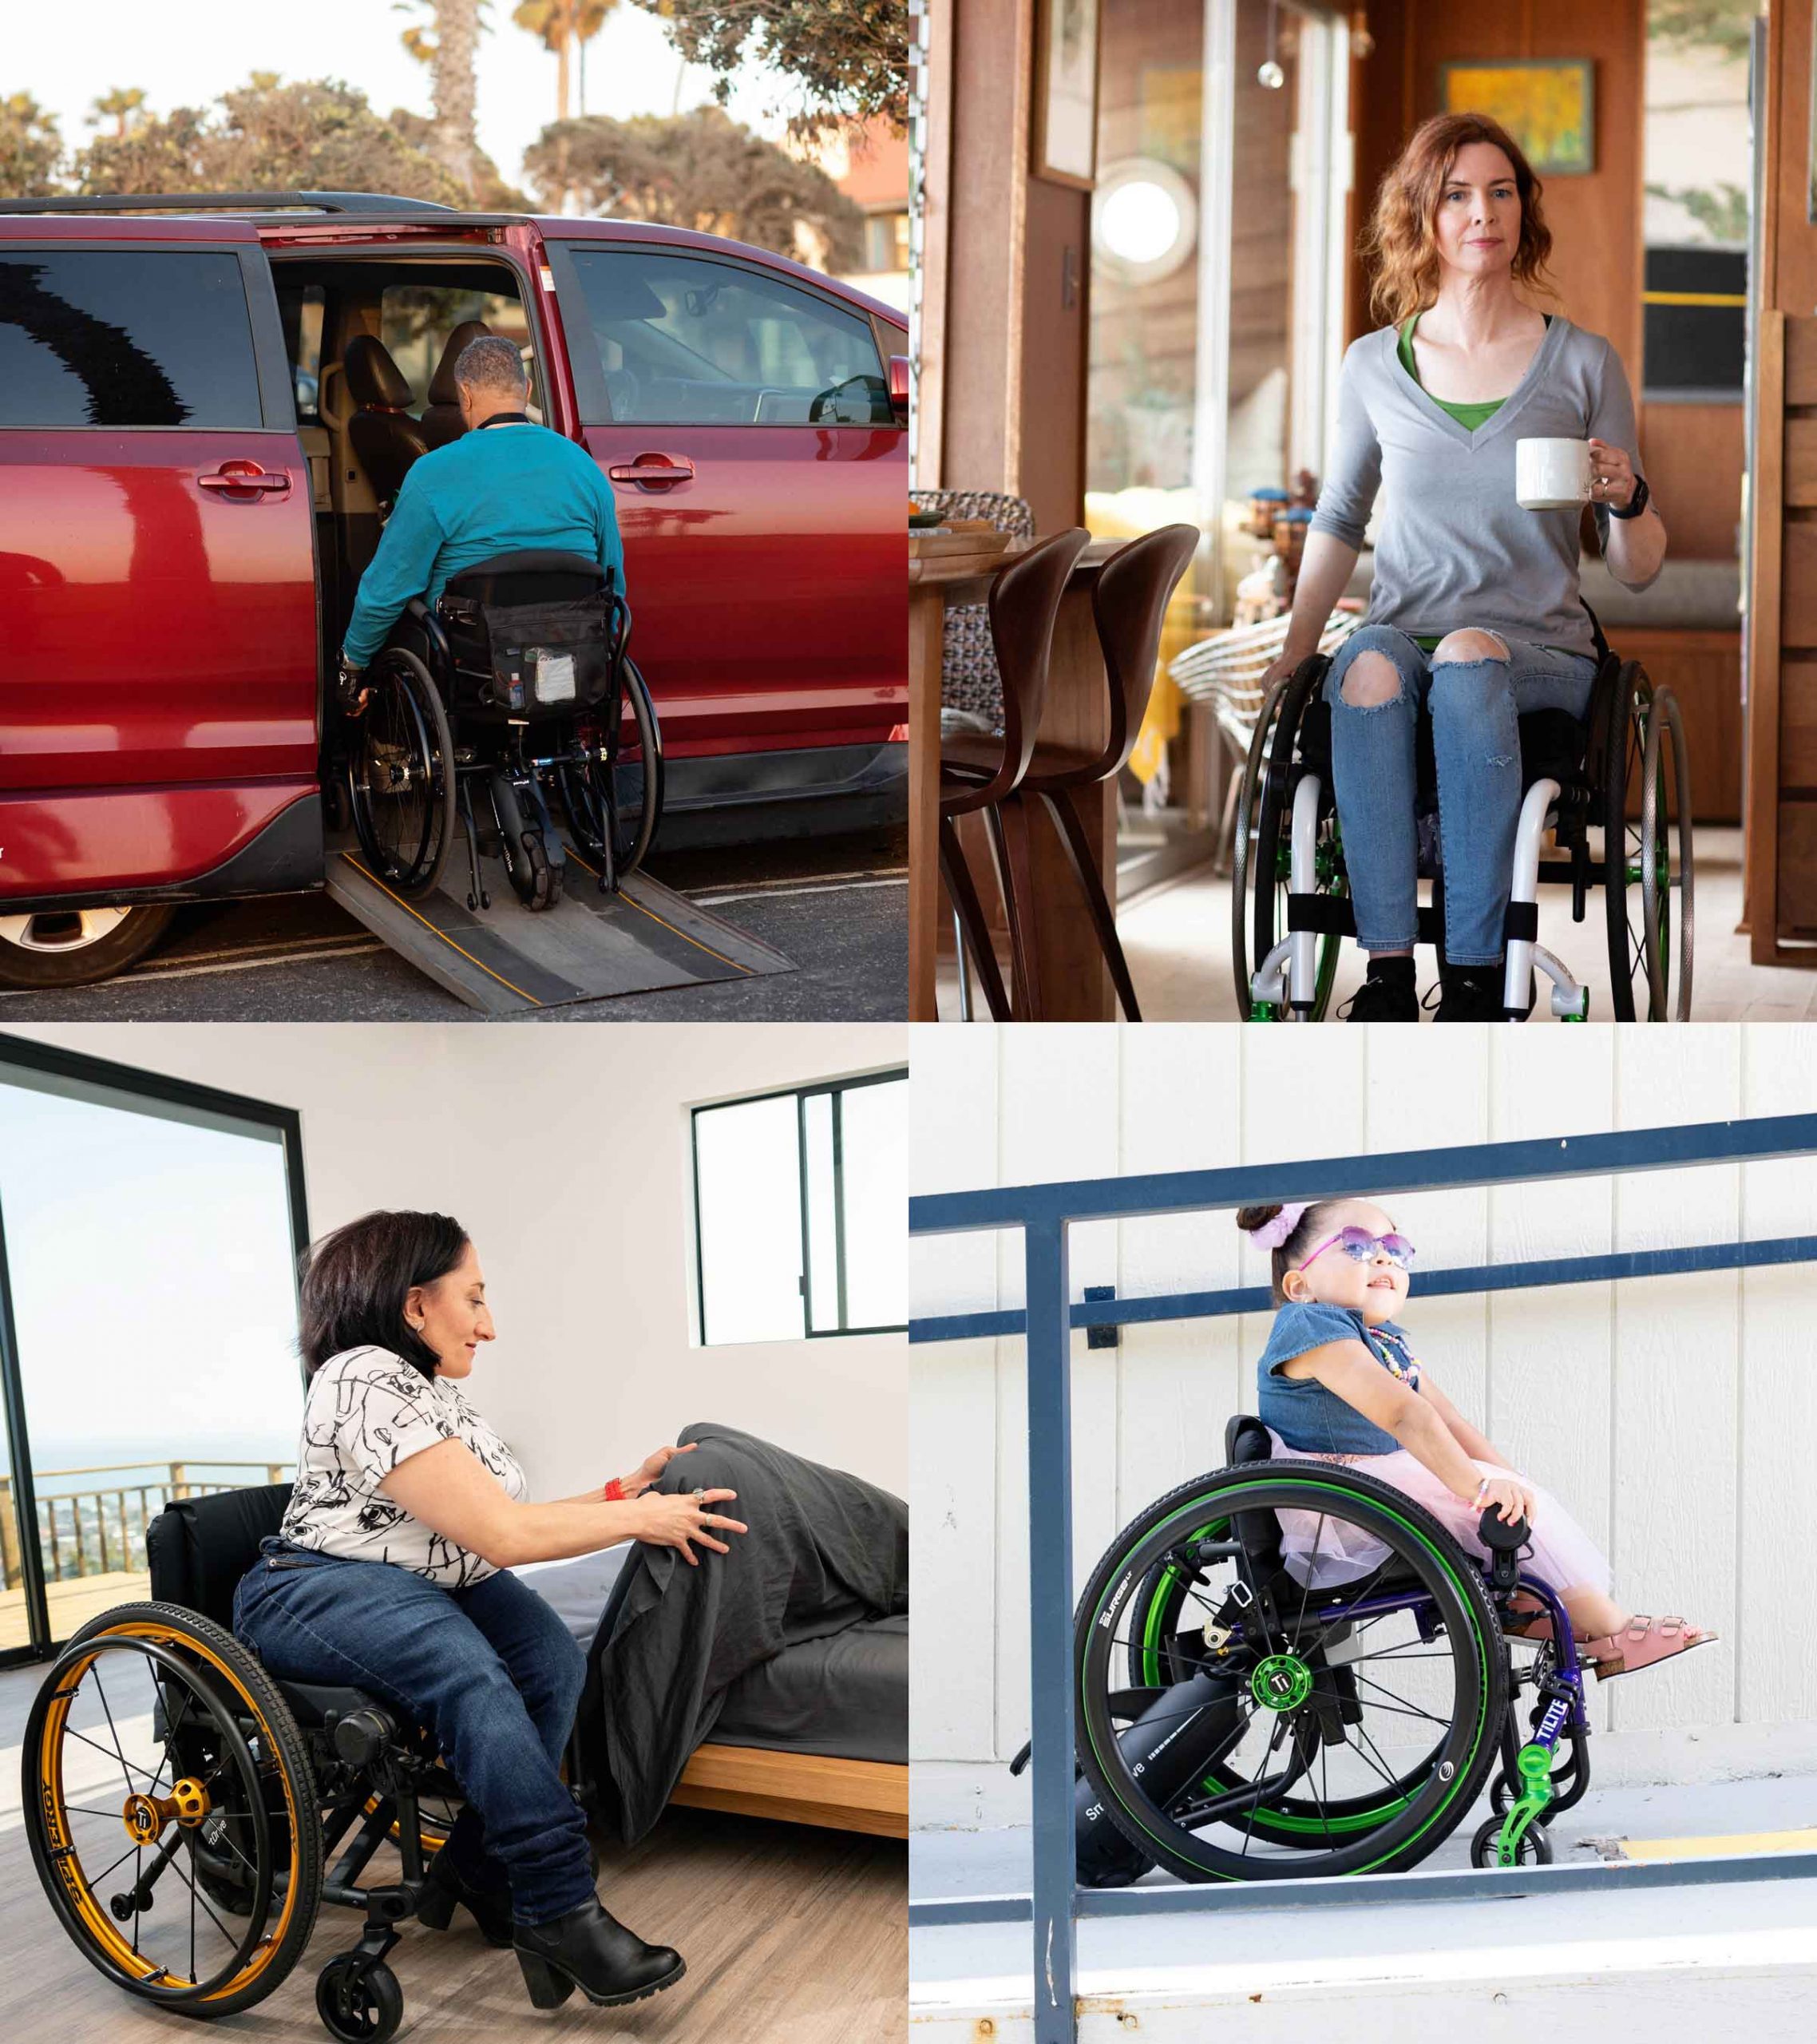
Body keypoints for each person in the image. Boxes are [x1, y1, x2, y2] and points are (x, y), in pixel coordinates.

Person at [231, 1209, 746, 2012]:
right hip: (315, 1586)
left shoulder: (432, 1392)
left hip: (427, 1581)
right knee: (468, 1670)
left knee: (550, 1661)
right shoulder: (362, 1375)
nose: (490, 1324)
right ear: (414, 1306)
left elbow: (490, 1523)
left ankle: (472, 1865)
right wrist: (641, 1521)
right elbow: (502, 1534)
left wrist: (623, 1492)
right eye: (473, 1298)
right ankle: (559, 1906)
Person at [1257, 111, 1669, 1021]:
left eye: (1499, 191)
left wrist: (1627, 497)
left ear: (1523, 210)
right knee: (1365, 665)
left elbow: (1635, 568)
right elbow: (1338, 514)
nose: (1481, 212)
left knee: (1467, 654)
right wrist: (1292, 652)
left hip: (1536, 653)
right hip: (1406, 638)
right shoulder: (1372, 365)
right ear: (1424, 218)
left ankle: (1477, 980)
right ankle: (1390, 974)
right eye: (1455, 195)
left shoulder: (1583, 364)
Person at [1235, 1197, 1713, 1676]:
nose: (1382, 1258)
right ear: (1299, 1285)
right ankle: (1609, 1629)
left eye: (1394, 1247)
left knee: (1511, 1503)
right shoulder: (1309, 1325)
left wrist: (1507, 1481)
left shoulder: (1384, 1340)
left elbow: (1451, 1422)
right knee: (1473, 1496)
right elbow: (1405, 1414)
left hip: (1376, 1491)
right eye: (1356, 1245)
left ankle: (1551, 1616)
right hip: (1340, 1503)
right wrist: (1478, 1487)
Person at [335, 335, 627, 712]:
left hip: (473, 663)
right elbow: (613, 580)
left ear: (465, 396)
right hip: (568, 653)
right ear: (528, 389)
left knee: (399, 611)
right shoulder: (583, 465)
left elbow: (387, 588)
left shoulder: (434, 472)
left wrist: (352, 663)